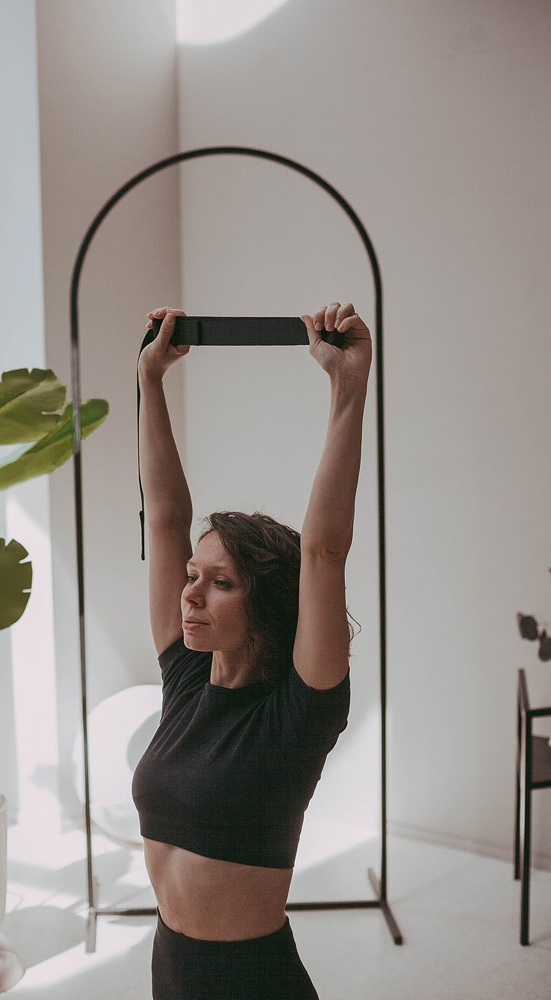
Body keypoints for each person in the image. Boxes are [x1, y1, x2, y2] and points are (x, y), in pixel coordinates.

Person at [132, 302, 372, 999]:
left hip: (252, 982)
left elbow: (324, 550)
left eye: (221, 583)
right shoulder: (185, 677)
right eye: (192, 575)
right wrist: (150, 381)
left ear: (264, 604)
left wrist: (349, 386)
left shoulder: (300, 713)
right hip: (170, 969)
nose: (190, 594)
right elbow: (165, 519)